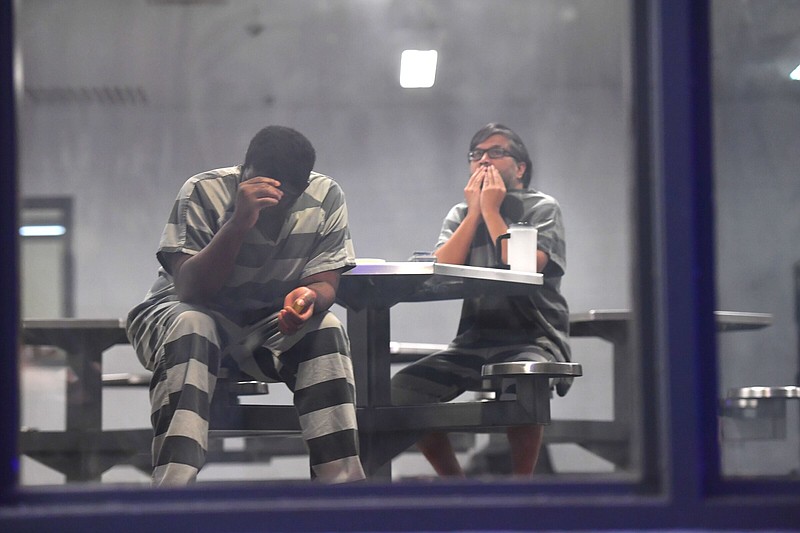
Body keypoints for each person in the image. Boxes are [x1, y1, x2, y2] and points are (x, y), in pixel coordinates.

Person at [126, 125, 366, 486]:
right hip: (178, 315)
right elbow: (192, 289)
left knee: (327, 327)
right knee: (194, 324)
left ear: (300, 187)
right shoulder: (203, 191)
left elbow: (326, 281)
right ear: (246, 170)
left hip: (262, 326)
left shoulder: (325, 195)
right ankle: (173, 491)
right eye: (262, 185)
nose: (272, 200)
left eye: (285, 194)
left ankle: (342, 489)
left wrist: (307, 299)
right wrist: (238, 223)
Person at [391, 123, 571, 478]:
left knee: (525, 378)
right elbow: (442, 268)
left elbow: (525, 267)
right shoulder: (460, 213)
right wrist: (474, 212)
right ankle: (454, 484)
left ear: (519, 168)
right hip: (474, 341)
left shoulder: (542, 208)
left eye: (496, 152)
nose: (484, 160)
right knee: (401, 392)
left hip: (532, 337)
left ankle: (521, 487)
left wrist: (491, 211)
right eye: (477, 155)